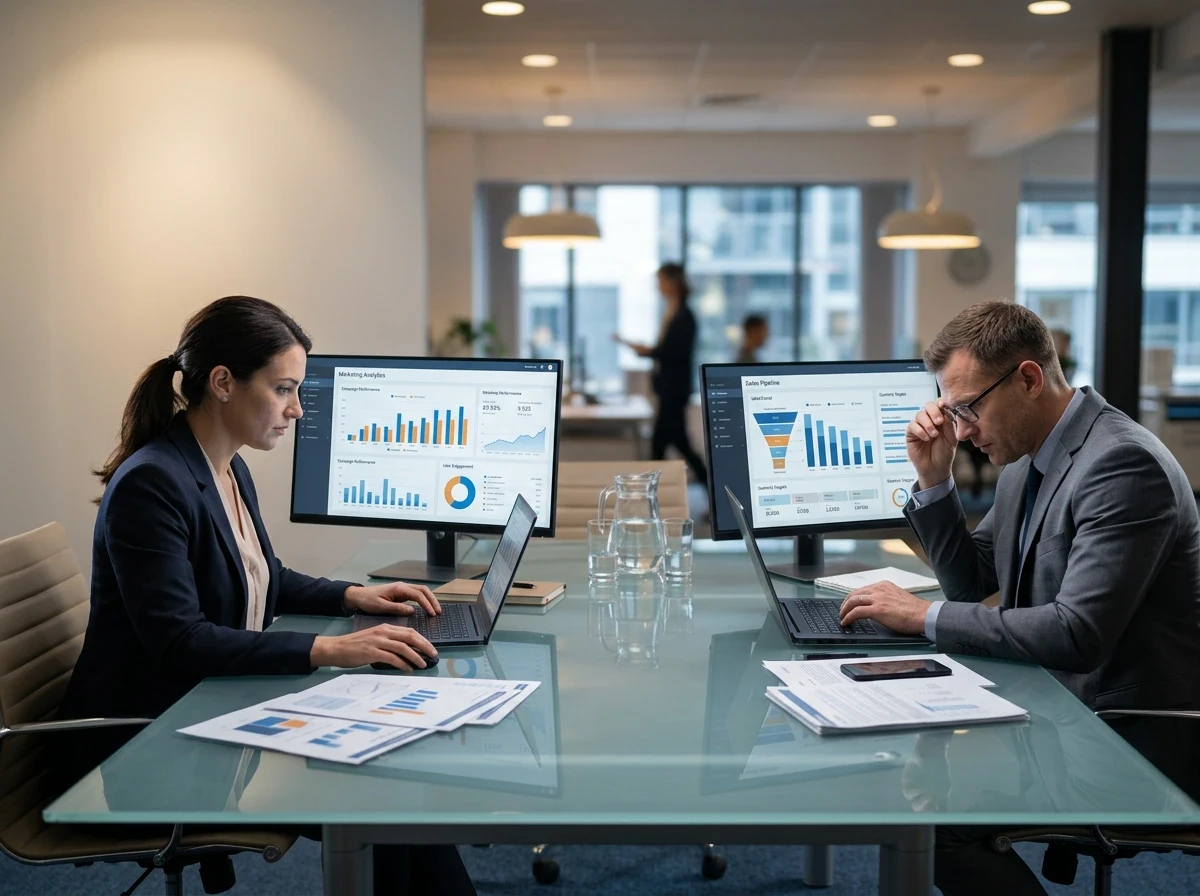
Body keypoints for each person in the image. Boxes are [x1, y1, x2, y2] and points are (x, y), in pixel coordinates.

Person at [58, 295, 475, 896]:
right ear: (223, 383)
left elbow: (263, 576)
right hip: (150, 745)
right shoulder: (152, 483)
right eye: (283, 390)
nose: (297, 409)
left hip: (209, 709)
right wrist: (330, 651)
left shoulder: (225, 466)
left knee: (395, 785)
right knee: (384, 792)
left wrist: (356, 596)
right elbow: (180, 643)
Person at [836, 301, 1200, 896]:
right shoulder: (1027, 462)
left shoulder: (1121, 464)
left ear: (1028, 379)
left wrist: (922, 616)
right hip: (1060, 716)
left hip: (1127, 742)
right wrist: (934, 481)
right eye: (952, 413)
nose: (961, 431)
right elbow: (973, 584)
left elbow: (1075, 634)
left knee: (926, 828)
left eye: (968, 408)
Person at [613, 262, 707, 481]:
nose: (659, 286)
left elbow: (675, 353)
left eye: (661, 281)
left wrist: (650, 351)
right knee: (674, 443)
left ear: (673, 282)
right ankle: (707, 487)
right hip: (669, 390)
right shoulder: (672, 312)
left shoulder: (684, 316)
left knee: (663, 444)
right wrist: (649, 351)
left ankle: (652, 490)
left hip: (674, 392)